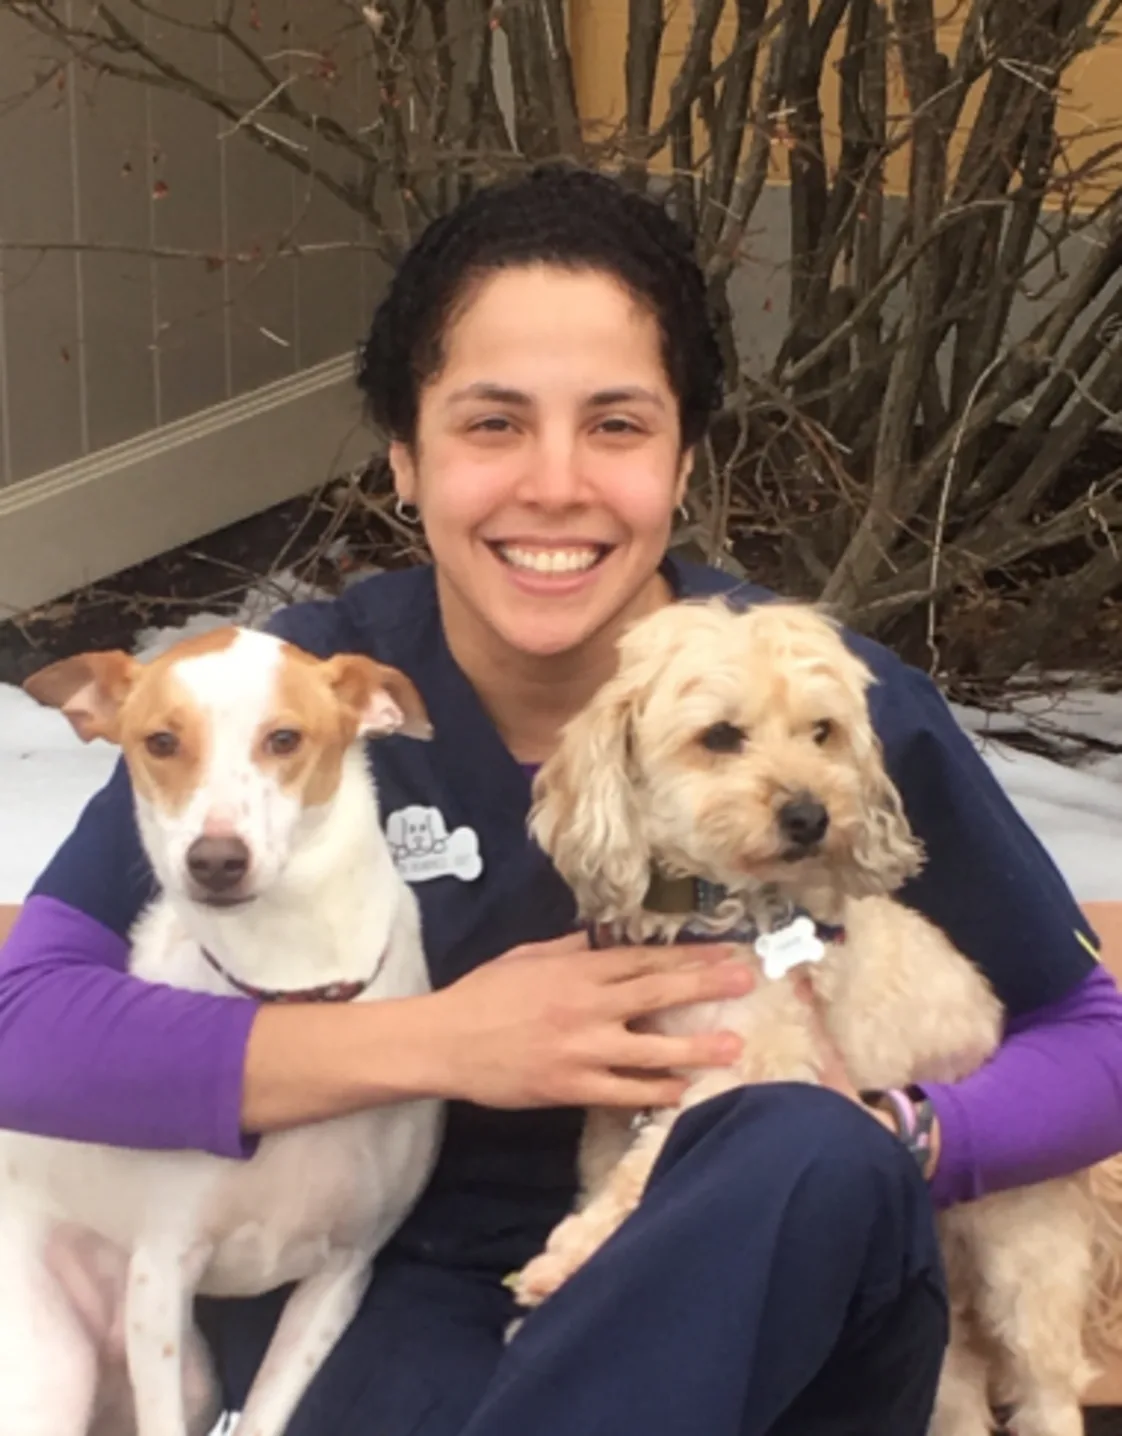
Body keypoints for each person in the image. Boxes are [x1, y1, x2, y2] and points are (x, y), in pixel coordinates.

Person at [1, 164, 1120, 1436]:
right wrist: (441, 1042)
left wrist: (903, 1133)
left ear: (684, 461)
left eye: (617, 424)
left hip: (762, 1281)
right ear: (405, 460)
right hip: (399, 1288)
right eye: (491, 423)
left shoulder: (818, 703)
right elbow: (24, 1026)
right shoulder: (287, 701)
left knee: (797, 1144)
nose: (555, 483)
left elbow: (1091, 1034)